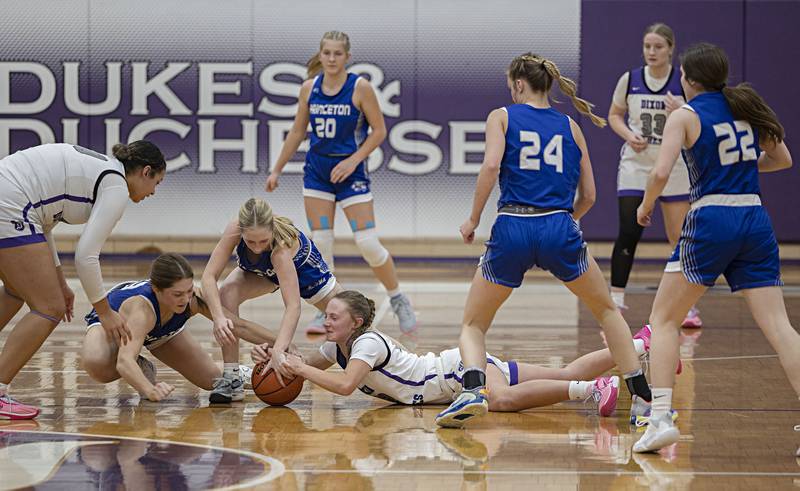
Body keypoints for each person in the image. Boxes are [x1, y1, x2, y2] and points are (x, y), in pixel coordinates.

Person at [432, 53, 654, 428]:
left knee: (473, 324)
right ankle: (644, 403)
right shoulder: (571, 125)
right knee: (606, 312)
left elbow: (490, 166)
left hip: (512, 226)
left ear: (519, 84)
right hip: (559, 226)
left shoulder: (501, 116)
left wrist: (472, 219)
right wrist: (563, 227)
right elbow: (589, 196)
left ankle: (472, 390)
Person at [632, 43, 799, 454]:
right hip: (755, 219)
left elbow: (660, 170)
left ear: (688, 79)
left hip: (712, 218)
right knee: (780, 328)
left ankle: (660, 419)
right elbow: (782, 159)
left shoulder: (685, 116)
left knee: (664, 319)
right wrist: (739, 166)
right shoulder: (745, 106)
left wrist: (646, 203)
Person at [253, 290, 667, 416]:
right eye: (327, 315)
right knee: (563, 371)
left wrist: (300, 372)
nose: (326, 320)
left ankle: (593, 390)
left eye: (334, 316)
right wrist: (274, 357)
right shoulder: (337, 345)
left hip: (453, 374)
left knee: (500, 400)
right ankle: (639, 345)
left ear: (357, 322)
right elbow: (303, 363)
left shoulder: (366, 344)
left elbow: (343, 387)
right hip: (454, 370)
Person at [0, 141, 166, 419]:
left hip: (11, 197)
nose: (153, 192)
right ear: (145, 172)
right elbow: (86, 256)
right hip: (10, 202)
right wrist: (105, 312)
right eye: (156, 183)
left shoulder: (101, 172)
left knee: (17, 291)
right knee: (48, 307)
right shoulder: (116, 187)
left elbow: (44, 224)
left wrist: (60, 280)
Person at [264, 30, 416, 334]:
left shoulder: (359, 87)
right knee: (321, 242)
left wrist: (352, 160)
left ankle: (399, 298)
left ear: (347, 57)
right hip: (318, 172)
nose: (331, 59)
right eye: (327, 53)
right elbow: (297, 132)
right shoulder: (309, 88)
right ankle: (327, 310)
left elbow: (379, 131)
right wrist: (277, 169)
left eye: (337, 53)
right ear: (320, 55)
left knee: (368, 243)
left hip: (351, 172)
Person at [81, 253, 279, 403]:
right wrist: (150, 390)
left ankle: (249, 373)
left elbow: (239, 325)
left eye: (189, 291)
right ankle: (141, 366)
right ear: (156, 289)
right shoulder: (142, 311)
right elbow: (124, 361)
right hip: (114, 325)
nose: (185, 299)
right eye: (177, 294)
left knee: (212, 381)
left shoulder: (193, 299)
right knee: (96, 362)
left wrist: (282, 345)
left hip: (160, 330)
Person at [607, 23, 701, 328]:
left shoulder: (682, 80)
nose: (651, 52)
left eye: (658, 47)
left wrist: (684, 107)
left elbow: (701, 118)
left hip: (673, 166)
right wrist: (628, 135)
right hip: (637, 164)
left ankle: (687, 307)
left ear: (671, 48)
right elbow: (614, 115)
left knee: (679, 237)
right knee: (629, 230)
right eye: (647, 46)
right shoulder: (630, 79)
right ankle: (616, 301)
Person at [201, 198, 340, 395]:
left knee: (355, 324)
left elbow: (293, 306)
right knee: (227, 292)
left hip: (306, 273)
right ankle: (232, 376)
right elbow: (208, 277)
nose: (257, 247)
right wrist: (218, 318)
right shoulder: (234, 228)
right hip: (265, 274)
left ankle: (388, 362)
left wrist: (278, 351)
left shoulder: (280, 251)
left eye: (263, 241)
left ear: (272, 230)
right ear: (241, 230)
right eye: (250, 241)